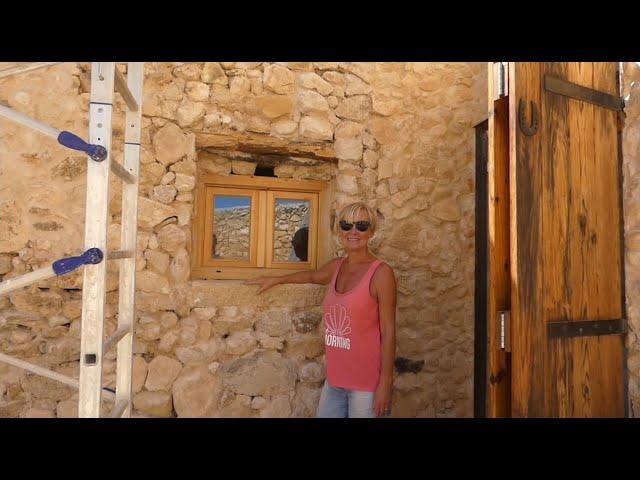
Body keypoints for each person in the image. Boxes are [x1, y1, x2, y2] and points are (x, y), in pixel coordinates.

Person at [245, 201, 397, 418]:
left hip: (366, 385)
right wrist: (277, 279)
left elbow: (389, 331)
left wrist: (385, 383)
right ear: (339, 230)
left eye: (361, 226)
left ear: (371, 231)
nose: (353, 231)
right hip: (335, 381)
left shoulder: (382, 273)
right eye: (346, 225)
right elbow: (312, 276)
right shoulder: (337, 266)